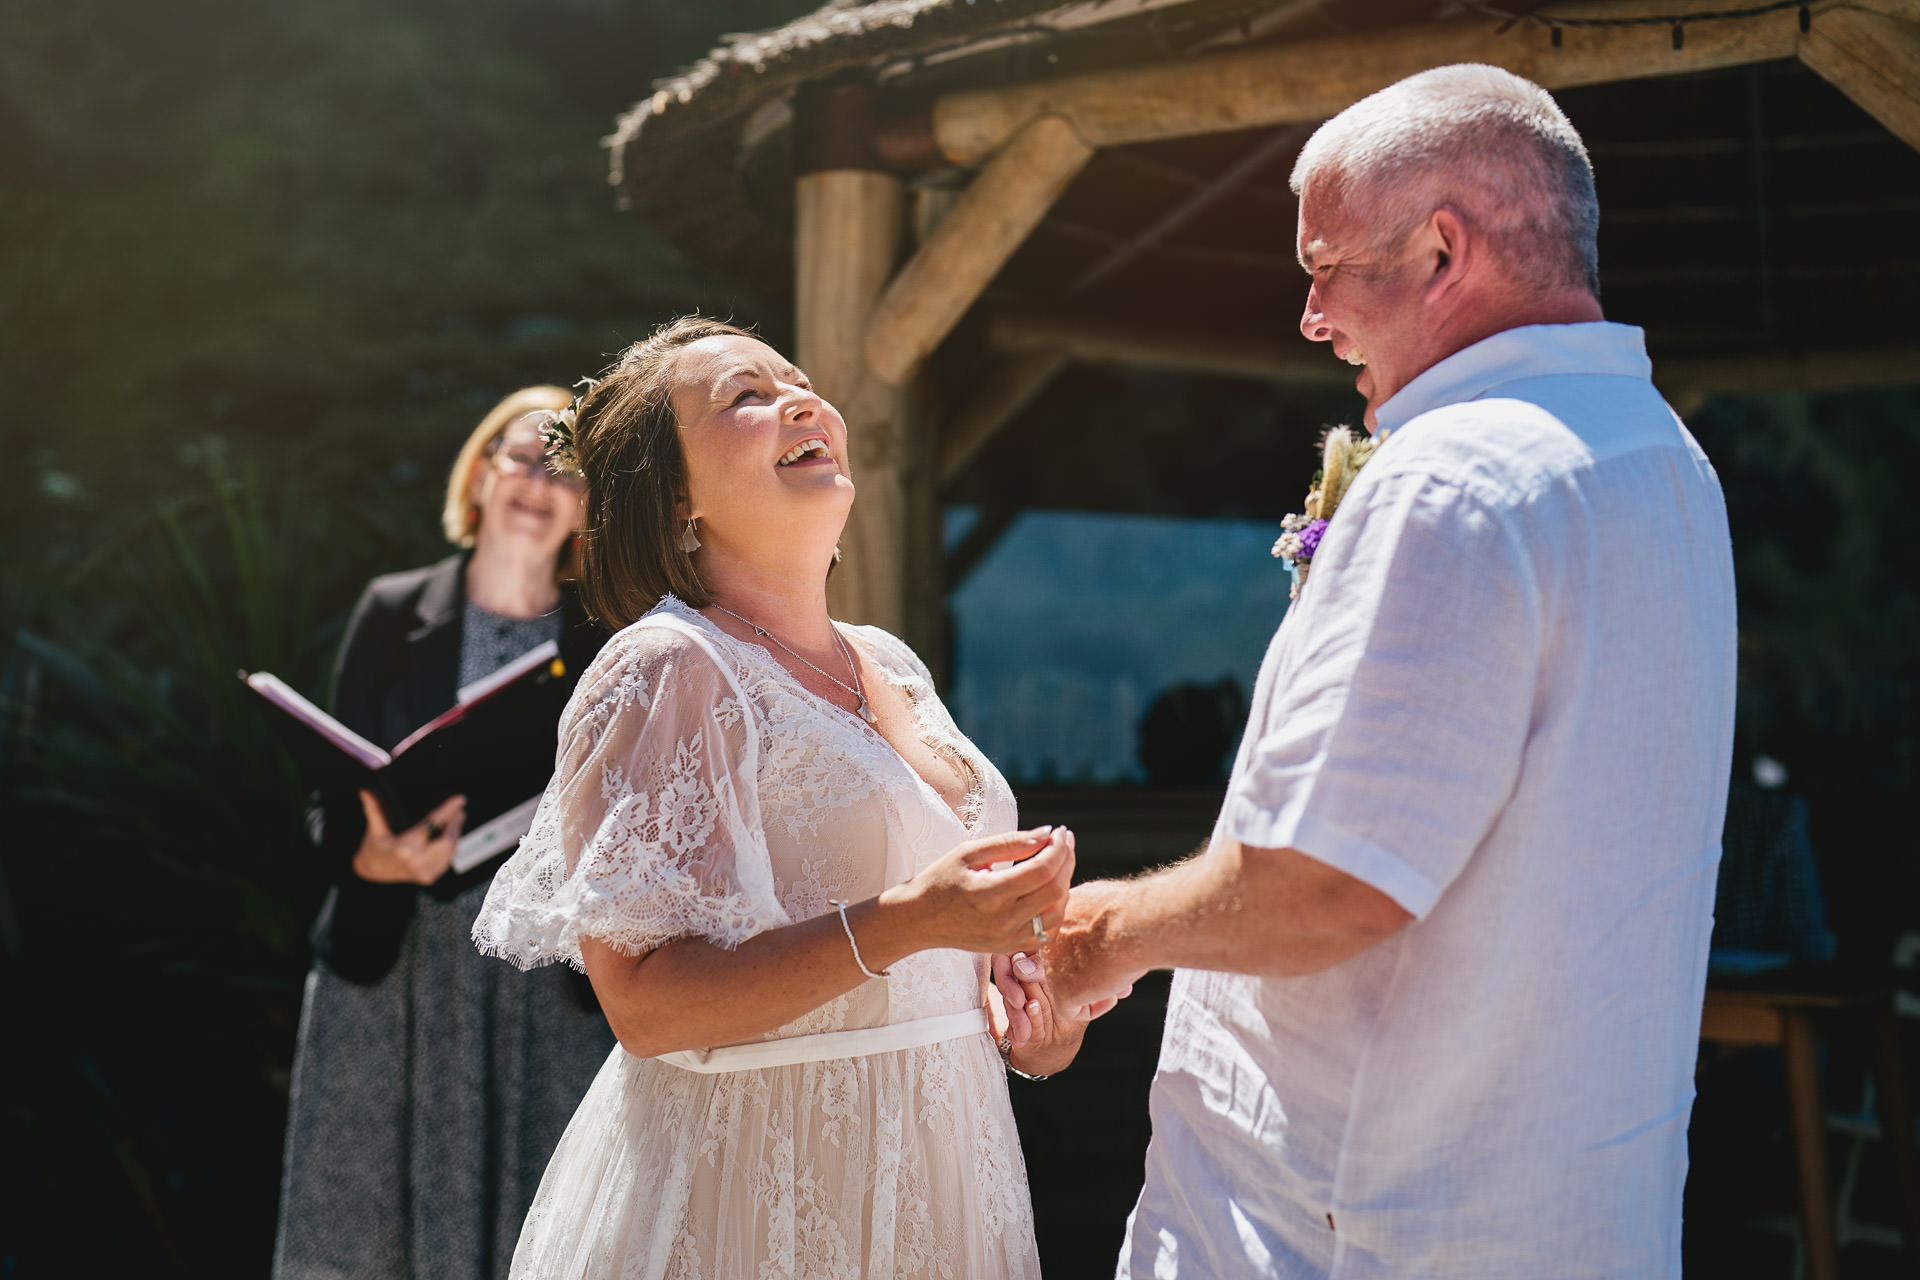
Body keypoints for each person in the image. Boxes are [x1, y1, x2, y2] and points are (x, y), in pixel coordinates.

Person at [1044, 65, 1737, 1278]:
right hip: (1564, 1214)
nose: (1311, 316)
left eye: (1325, 268)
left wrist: (1102, 931)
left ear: (1440, 252)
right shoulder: (1667, 461)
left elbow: (1327, 885)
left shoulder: (1454, 478)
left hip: (1359, 1217)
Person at [471, 316, 1116, 1279]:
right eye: (745, 397)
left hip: (946, 1176)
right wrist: (912, 920)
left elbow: (934, 967)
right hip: (752, 1192)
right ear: (677, 497)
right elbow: (645, 1006)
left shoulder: (889, 662)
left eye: (799, 381)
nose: (801, 402)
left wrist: (1038, 1027)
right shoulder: (668, 668)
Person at [273, 388, 617, 1280]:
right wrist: (367, 855)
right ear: (479, 473)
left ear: (588, 507)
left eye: (565, 469)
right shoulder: (392, 611)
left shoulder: (606, 639)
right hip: (398, 971)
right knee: (356, 1239)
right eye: (519, 456)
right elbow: (327, 803)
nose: (538, 481)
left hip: (542, 983)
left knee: (550, 1240)